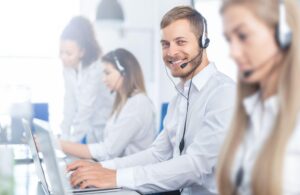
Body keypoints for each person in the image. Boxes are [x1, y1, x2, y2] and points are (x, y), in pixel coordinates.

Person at [66, 6, 236, 195]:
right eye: (165, 44)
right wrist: (102, 168)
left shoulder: (224, 94)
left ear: (203, 42)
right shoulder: (179, 98)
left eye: (181, 42)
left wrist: (116, 177)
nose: (171, 52)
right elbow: (157, 154)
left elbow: (197, 166)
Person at [216, 0, 300, 195]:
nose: (233, 53)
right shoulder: (249, 111)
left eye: (243, 36)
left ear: (284, 34)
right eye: (229, 40)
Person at [60, 48, 157, 161]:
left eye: (107, 73)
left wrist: (60, 145)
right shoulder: (122, 103)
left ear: (123, 73)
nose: (103, 79)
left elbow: (109, 151)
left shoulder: (137, 104)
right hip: (119, 169)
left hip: (132, 174)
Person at [59, 16, 113, 143]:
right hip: (90, 130)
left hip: (105, 126)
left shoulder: (96, 68)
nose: (63, 57)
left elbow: (85, 108)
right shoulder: (68, 69)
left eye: (68, 53)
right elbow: (69, 104)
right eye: (61, 52)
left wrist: (68, 144)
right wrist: (64, 135)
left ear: (82, 52)